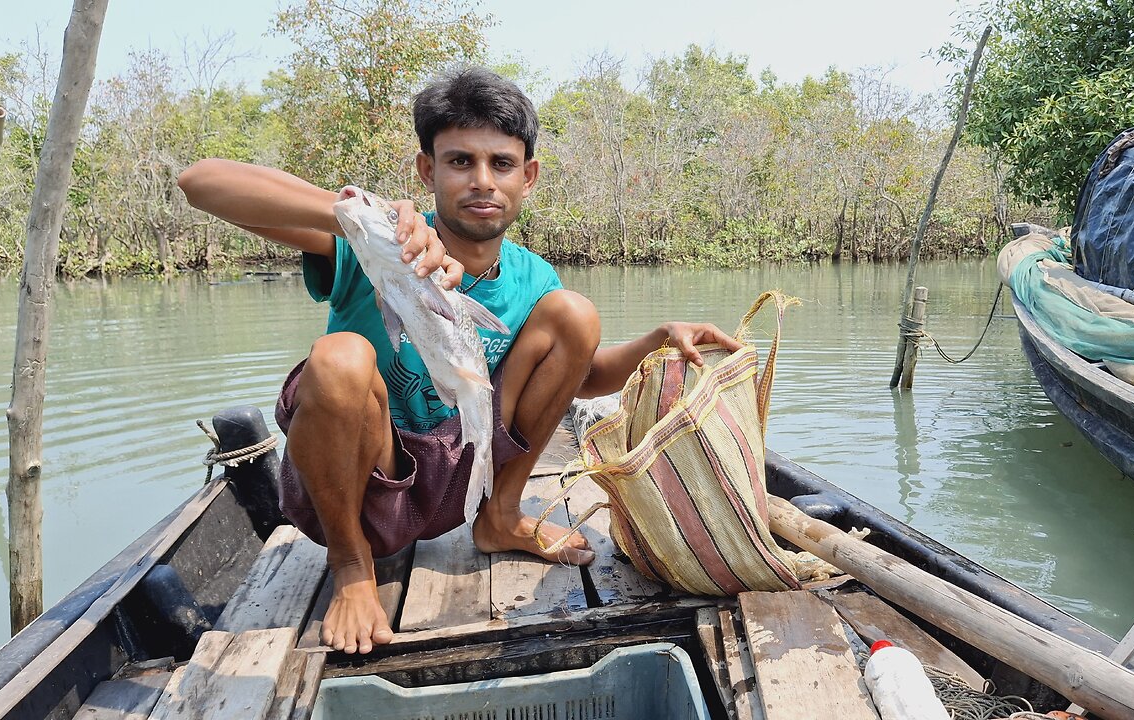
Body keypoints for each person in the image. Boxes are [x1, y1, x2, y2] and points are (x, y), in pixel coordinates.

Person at [177, 66, 740, 655]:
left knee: (575, 313)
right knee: (339, 357)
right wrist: (357, 218)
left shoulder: (532, 278)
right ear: (427, 170)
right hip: (357, 489)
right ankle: (353, 569)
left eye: (500, 164)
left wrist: (655, 340)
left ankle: (501, 517)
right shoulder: (367, 245)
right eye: (459, 161)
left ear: (528, 177)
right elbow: (200, 182)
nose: (481, 181)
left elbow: (585, 375)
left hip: (460, 478)